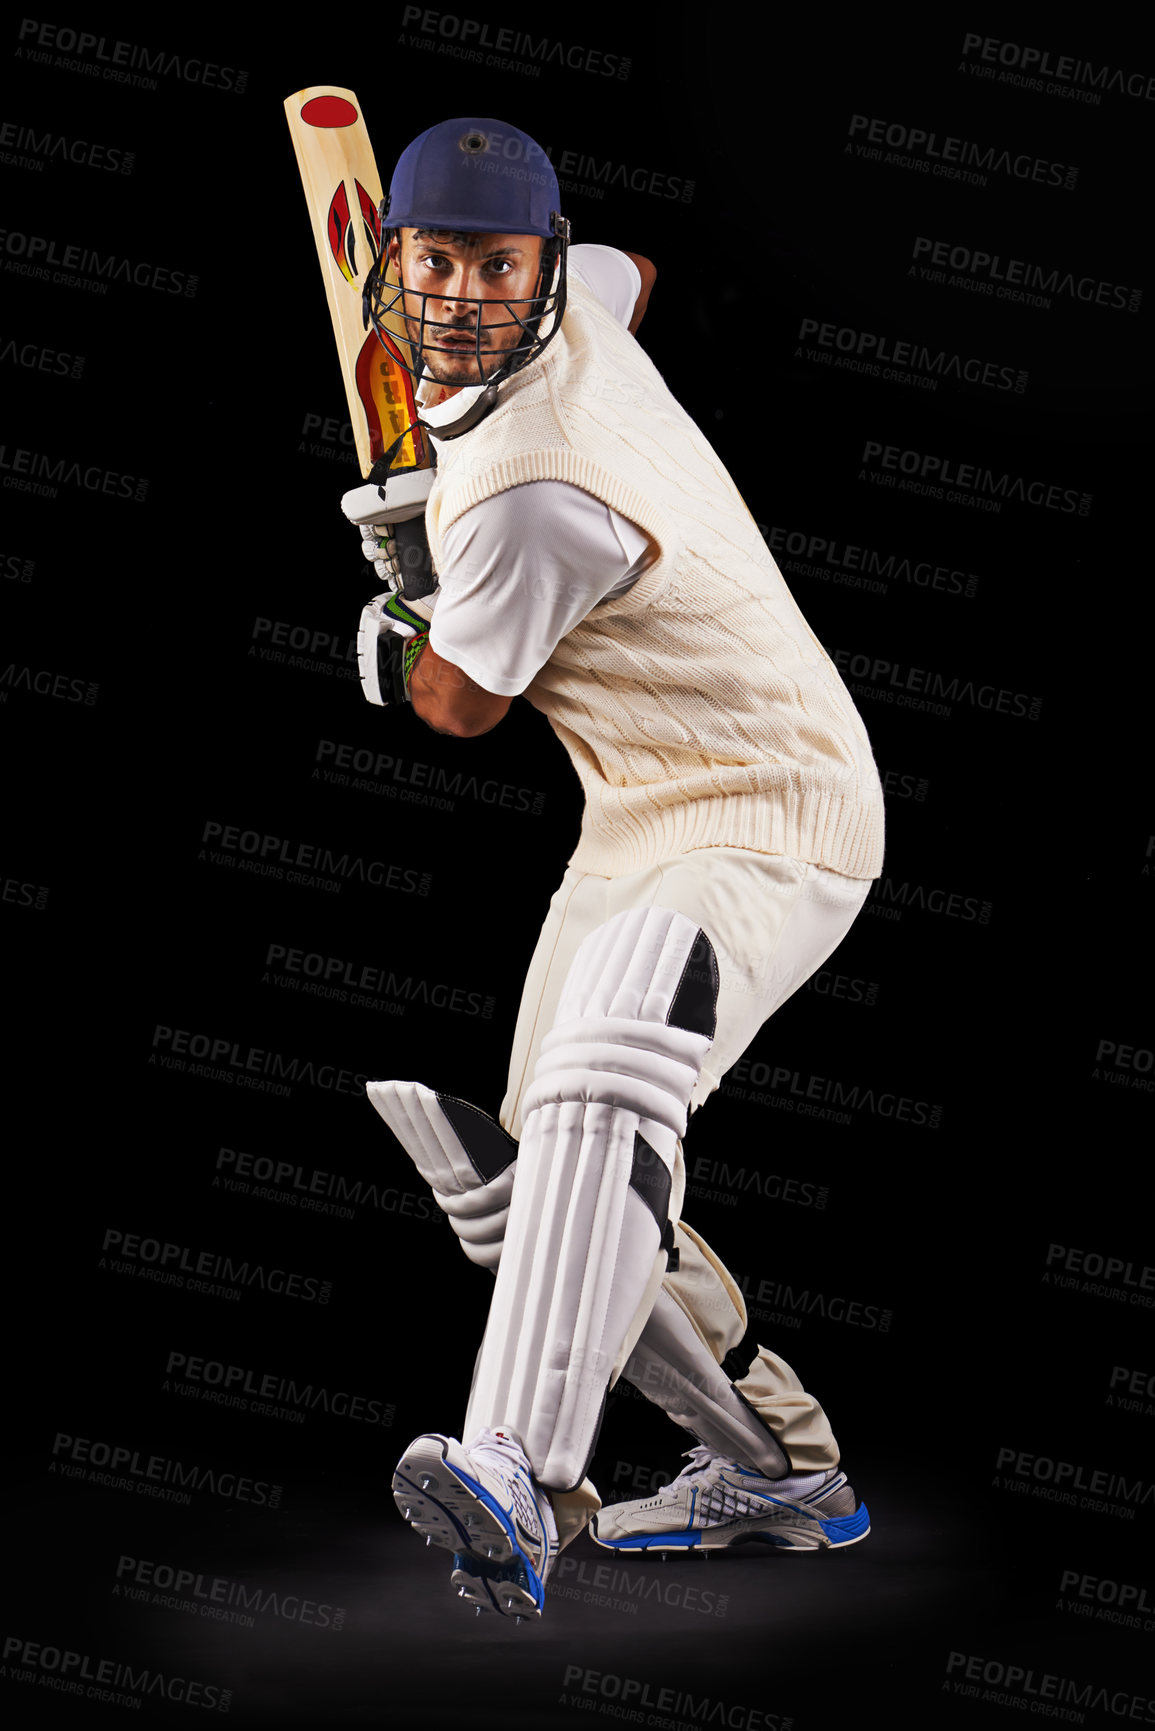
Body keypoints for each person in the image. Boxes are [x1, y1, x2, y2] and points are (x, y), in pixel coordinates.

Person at [346, 117, 885, 1624]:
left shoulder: (529, 495)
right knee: (542, 1199)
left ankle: (518, 1470)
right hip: (640, 805)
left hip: (776, 798)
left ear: (535, 265)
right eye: (434, 260)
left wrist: (399, 631)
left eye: (495, 266)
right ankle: (778, 1468)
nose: (459, 298)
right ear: (394, 259)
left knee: (610, 1069)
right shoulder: (580, 292)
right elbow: (634, 278)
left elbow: (459, 704)